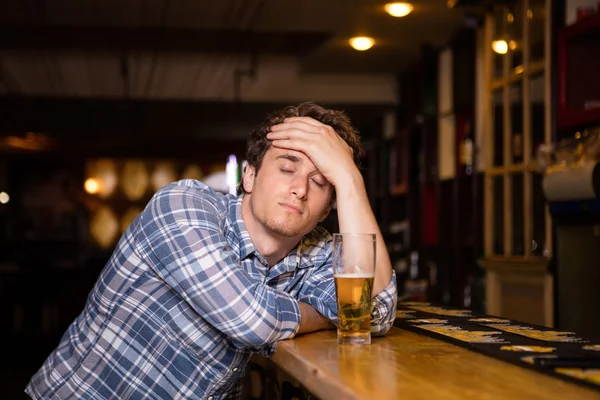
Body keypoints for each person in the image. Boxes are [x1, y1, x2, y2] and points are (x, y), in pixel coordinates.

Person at [26, 102, 397, 399]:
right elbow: (253, 321)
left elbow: (372, 314)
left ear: (330, 207)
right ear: (248, 176)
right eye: (287, 169)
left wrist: (349, 179)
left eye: (320, 181)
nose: (300, 189)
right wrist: (318, 314)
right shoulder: (183, 206)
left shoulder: (314, 253)